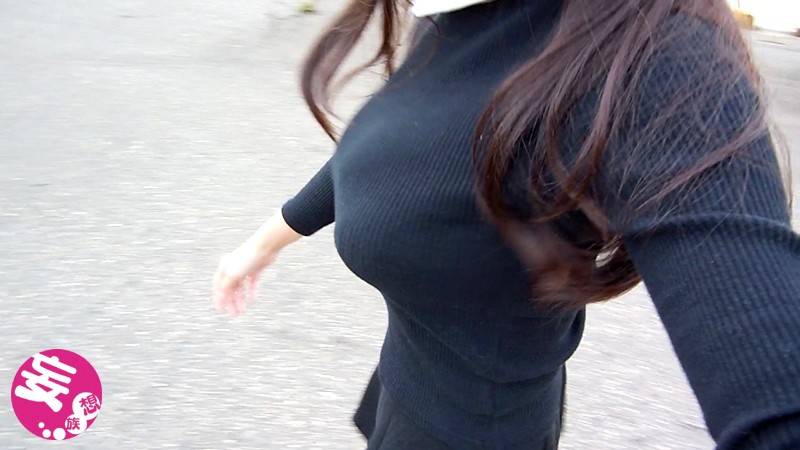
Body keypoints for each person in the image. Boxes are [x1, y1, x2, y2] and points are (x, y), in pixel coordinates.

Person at [212, 0, 800, 448]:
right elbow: (390, 147)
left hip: (475, 428)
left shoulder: (655, 55)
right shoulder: (454, 14)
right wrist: (265, 242)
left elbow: (771, 389)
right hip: (410, 374)